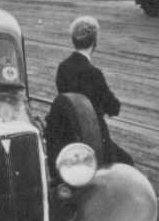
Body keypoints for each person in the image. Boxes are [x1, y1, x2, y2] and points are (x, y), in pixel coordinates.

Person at [54, 16, 133, 166]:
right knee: (126, 162)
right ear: (94, 42)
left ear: (74, 40)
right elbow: (113, 107)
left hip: (67, 133)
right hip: (91, 135)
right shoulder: (93, 73)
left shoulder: (63, 67)